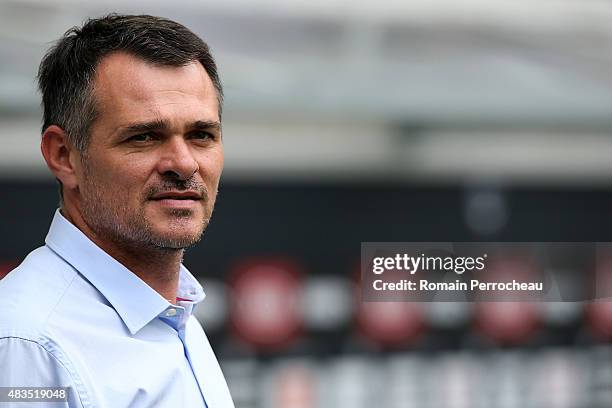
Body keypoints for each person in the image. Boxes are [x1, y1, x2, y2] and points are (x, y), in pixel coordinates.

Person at [0, 14, 234, 407]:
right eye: (144, 136)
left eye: (200, 135)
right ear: (63, 155)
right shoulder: (28, 345)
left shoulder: (178, 316)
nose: (184, 163)